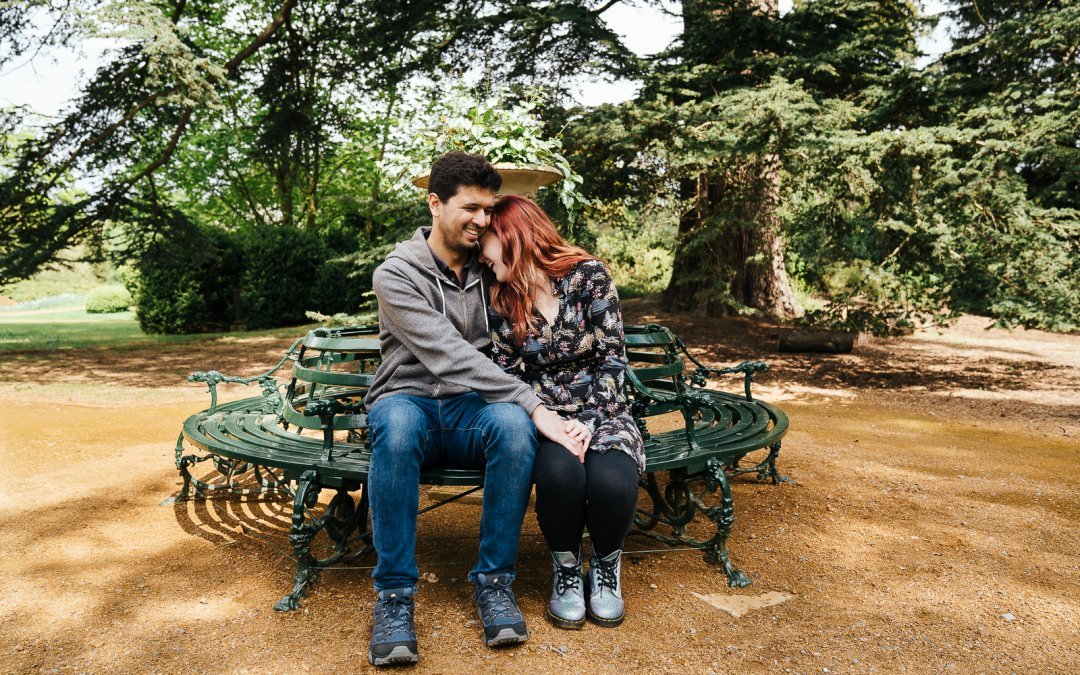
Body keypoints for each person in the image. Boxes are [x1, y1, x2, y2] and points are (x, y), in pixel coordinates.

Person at [364, 153, 584, 666]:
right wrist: (535, 404)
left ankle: (494, 583)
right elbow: (448, 353)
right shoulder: (395, 274)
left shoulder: (489, 266)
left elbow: (547, 294)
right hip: (408, 399)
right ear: (435, 204)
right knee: (394, 429)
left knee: (512, 429)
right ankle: (394, 597)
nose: (481, 221)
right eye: (470, 208)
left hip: (471, 407)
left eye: (488, 210)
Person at [480, 195, 645, 630]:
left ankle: (606, 568)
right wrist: (547, 418)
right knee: (559, 477)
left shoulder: (588, 276)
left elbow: (613, 358)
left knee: (612, 482)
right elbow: (507, 375)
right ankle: (568, 571)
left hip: (604, 409)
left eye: (487, 240)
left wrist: (589, 421)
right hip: (547, 416)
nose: (482, 252)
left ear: (511, 236)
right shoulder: (500, 299)